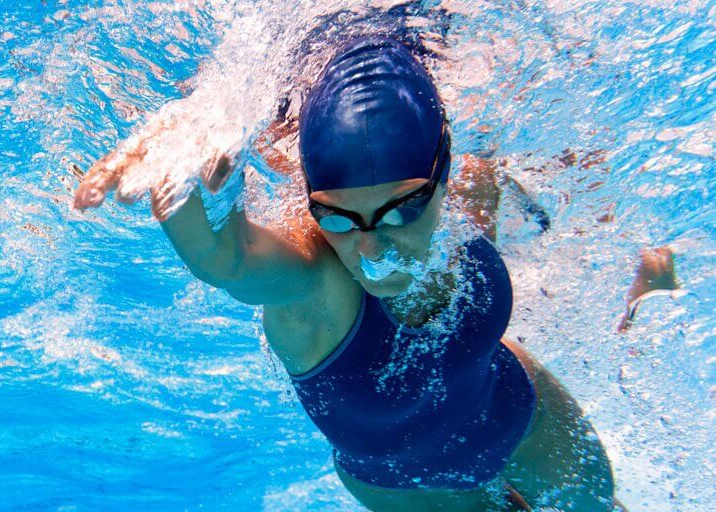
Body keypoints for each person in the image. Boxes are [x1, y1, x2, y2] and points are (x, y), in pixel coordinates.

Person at [74, 34, 619, 511]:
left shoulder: (468, 195)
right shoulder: (318, 283)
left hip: (522, 416)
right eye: (336, 215)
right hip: (409, 488)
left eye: (402, 209)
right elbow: (229, 258)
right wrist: (188, 169)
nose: (370, 247)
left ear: (443, 175)